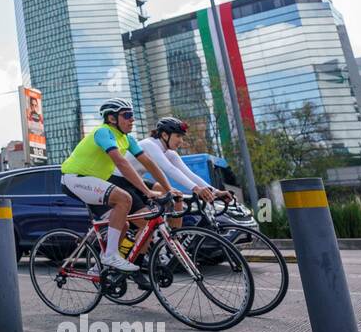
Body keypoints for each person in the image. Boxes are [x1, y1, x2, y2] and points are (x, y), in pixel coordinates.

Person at [59, 98, 176, 272]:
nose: (132, 120)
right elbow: (121, 163)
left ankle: (99, 269)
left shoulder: (127, 139)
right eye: (127, 115)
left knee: (124, 224)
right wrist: (146, 191)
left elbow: (149, 163)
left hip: (94, 183)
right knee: (124, 199)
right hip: (75, 178)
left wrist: (169, 189)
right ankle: (110, 256)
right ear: (112, 118)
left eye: (132, 115)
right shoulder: (103, 132)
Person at [131, 117, 232, 205]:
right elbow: (170, 169)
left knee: (177, 198)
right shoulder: (149, 144)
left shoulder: (169, 152)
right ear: (165, 135)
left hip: (137, 180)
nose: (181, 141)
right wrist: (196, 189)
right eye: (178, 136)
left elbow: (188, 174)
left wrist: (216, 191)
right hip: (121, 181)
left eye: (182, 137)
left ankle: (173, 228)